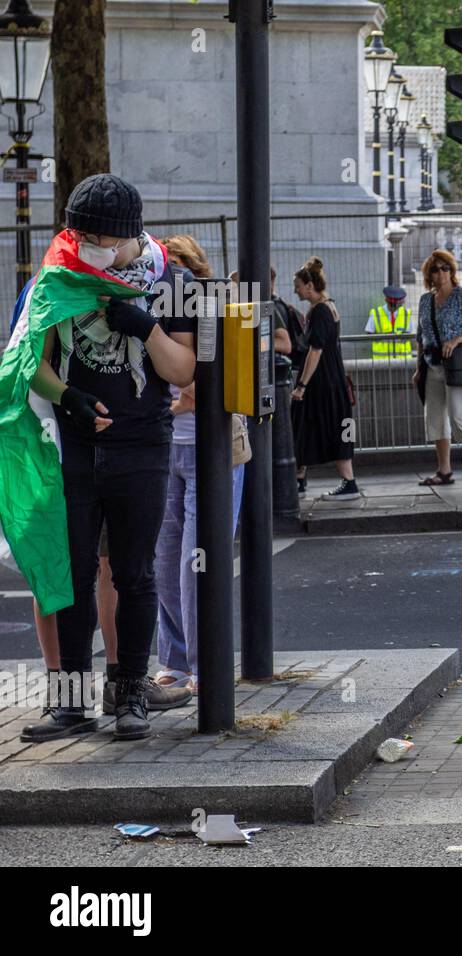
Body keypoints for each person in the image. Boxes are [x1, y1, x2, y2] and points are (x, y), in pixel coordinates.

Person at [13, 174, 198, 742]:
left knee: (134, 573)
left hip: (142, 446)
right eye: (80, 232)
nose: (86, 244)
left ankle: (129, 694)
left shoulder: (172, 281)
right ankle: (69, 701)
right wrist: (66, 396)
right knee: (71, 574)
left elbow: (183, 371)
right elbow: (32, 363)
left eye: (98, 237)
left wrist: (144, 327)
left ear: (127, 236)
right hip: (74, 447)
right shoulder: (57, 277)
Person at [150, 235, 247, 695]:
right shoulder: (155, 308)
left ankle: (205, 664)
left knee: (196, 562)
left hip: (210, 451)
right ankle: (174, 658)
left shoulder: (213, 312)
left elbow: (207, 386)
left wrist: (169, 405)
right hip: (167, 450)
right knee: (165, 559)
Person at [413, 249, 462, 487]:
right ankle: (444, 471)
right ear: (429, 275)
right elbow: (421, 336)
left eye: (445, 268)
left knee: (461, 416)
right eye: (435, 270)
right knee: (435, 418)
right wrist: (419, 367)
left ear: (452, 270)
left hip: (458, 366)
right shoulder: (425, 300)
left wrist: (457, 339)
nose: (441, 273)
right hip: (432, 366)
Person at [291, 256, 358, 500]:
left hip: (322, 383)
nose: (295, 290)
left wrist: (301, 385)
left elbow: (315, 350)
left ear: (309, 285)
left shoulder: (319, 311)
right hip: (334, 380)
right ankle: (301, 478)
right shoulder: (329, 306)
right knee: (328, 427)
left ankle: (347, 483)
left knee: (309, 424)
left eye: (297, 285)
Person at [365, 285, 412, 359]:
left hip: (402, 361)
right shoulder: (376, 313)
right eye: (393, 305)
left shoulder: (406, 314)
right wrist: (384, 336)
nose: (394, 307)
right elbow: (369, 333)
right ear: (387, 301)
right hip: (382, 361)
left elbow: (410, 335)